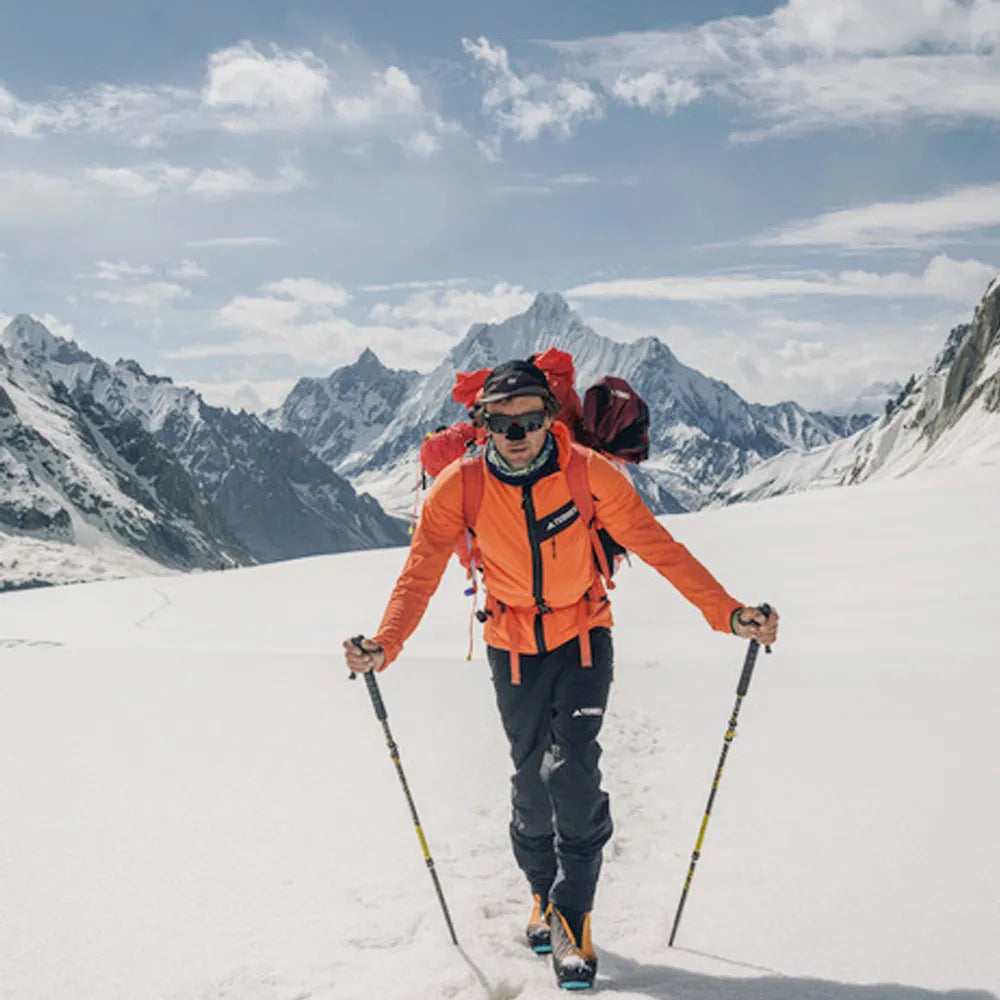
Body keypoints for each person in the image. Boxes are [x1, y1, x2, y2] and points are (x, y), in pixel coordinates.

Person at [344, 358, 779, 990]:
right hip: (511, 645)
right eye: (502, 421)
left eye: (529, 418)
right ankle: (541, 895)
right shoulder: (459, 487)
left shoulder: (589, 475)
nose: (517, 433)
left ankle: (574, 919)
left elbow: (660, 548)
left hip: (582, 637)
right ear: (482, 424)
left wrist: (729, 614)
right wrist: (385, 644)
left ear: (551, 417)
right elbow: (419, 573)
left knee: (572, 770)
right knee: (529, 778)